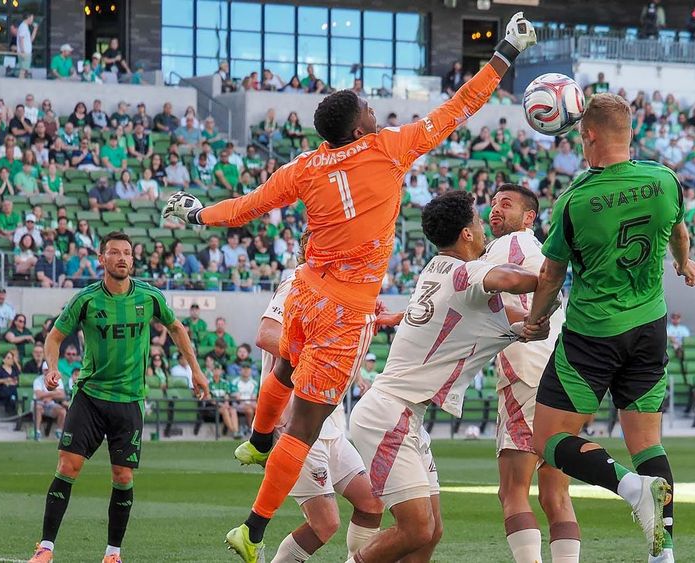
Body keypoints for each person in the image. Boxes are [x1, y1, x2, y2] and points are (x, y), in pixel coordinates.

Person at [161, 12, 538, 561]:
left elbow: (247, 207)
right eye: (366, 108)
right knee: (308, 423)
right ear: (360, 128)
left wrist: (198, 216)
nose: (373, 109)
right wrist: (505, 52)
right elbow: (458, 108)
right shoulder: (388, 148)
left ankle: (257, 439)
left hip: (306, 291)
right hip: (344, 308)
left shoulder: (306, 166)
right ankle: (254, 529)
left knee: (287, 366)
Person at [522, 92, 695, 562]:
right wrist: (685, 265)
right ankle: (663, 555)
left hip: (594, 333)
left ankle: (629, 487)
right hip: (650, 327)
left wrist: (535, 320)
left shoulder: (576, 201)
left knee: (547, 439)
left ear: (589, 135)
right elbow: (680, 235)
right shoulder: (665, 180)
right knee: (647, 441)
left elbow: (550, 275)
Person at [349, 190, 542, 562]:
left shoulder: (438, 268)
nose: (484, 225)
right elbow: (512, 280)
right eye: (478, 220)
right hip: (390, 414)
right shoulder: (465, 274)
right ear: (467, 233)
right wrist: (552, 272)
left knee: (431, 532)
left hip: (404, 415)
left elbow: (520, 323)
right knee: (417, 528)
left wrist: (533, 322)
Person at [27, 232, 209, 563]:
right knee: (68, 466)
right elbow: (54, 337)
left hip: (129, 400)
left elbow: (177, 329)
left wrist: (195, 370)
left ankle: (113, 554)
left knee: (122, 476)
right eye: (114, 252)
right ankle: (45, 548)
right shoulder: (86, 299)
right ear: (102, 259)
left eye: (127, 252)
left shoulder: (149, 296)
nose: (122, 257)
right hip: (91, 397)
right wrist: (52, 367)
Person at [253, 233, 393, 562]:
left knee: (371, 503)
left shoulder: (336, 293)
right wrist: (317, 353)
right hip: (294, 423)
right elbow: (266, 334)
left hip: (327, 424)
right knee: (324, 523)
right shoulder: (295, 283)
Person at [484, 184, 580, 563]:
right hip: (559, 373)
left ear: (528, 218)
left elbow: (476, 293)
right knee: (555, 494)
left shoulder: (508, 246)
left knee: (512, 490)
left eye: (505, 205)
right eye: (492, 204)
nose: (494, 210)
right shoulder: (538, 250)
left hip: (526, 373)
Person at [33, 369, 68, 440]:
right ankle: (37, 432)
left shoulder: (57, 379)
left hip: (51, 404)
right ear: (42, 371)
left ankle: (59, 432)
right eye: (45, 370)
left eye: (48, 370)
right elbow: (38, 395)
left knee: (62, 411)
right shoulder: (37, 380)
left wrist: (50, 397)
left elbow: (62, 395)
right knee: (38, 408)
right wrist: (55, 393)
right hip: (38, 403)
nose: (47, 372)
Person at [16, 13, 38, 78]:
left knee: (25, 69)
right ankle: (21, 82)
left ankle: (22, 81)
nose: (32, 20)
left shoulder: (25, 27)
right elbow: (21, 38)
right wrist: (22, 50)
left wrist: (35, 29)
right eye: (32, 18)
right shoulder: (23, 26)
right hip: (24, 52)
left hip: (27, 51)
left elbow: (30, 40)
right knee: (23, 69)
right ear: (28, 18)